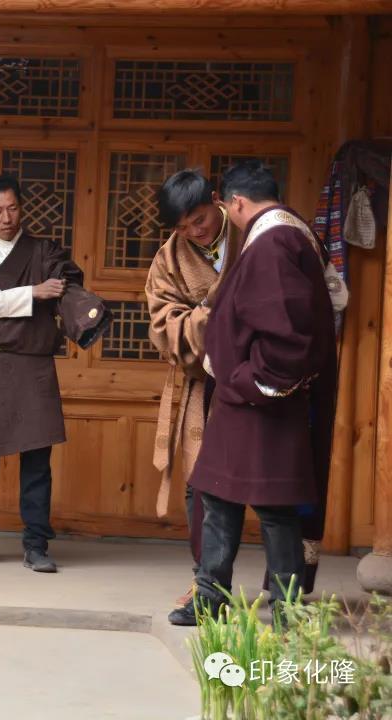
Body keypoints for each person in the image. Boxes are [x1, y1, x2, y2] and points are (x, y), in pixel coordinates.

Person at [169, 161, 338, 626]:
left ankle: (286, 606)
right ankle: (211, 596)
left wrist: (254, 381)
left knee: (274, 505)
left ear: (236, 202)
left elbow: (287, 333)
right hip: (242, 397)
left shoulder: (275, 241)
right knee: (217, 495)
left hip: (263, 398)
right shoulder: (287, 232)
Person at [0, 174, 111, 572]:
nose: (6, 218)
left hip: (34, 365)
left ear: (21, 208)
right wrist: (34, 292)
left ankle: (37, 544)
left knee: (37, 458)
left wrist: (84, 313)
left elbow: (66, 285)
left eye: (12, 208)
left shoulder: (43, 251)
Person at [145, 169, 239, 607]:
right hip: (204, 382)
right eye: (183, 227)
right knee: (201, 482)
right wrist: (215, 312)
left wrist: (208, 310)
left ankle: (285, 589)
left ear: (216, 200)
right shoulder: (168, 258)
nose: (194, 232)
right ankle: (207, 583)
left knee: (270, 485)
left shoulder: (251, 234)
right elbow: (163, 326)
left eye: (199, 220)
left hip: (260, 377)